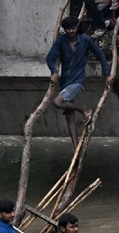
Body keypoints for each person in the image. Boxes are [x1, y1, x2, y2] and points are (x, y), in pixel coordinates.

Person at [47, 16, 112, 148]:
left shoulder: (85, 40)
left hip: (77, 82)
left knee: (57, 102)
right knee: (69, 118)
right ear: (65, 30)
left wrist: (107, 74)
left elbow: (100, 55)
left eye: (73, 28)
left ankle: (84, 111)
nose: (71, 31)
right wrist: (54, 71)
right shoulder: (61, 41)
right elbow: (50, 57)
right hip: (65, 81)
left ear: (77, 28)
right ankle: (76, 148)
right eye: (68, 29)